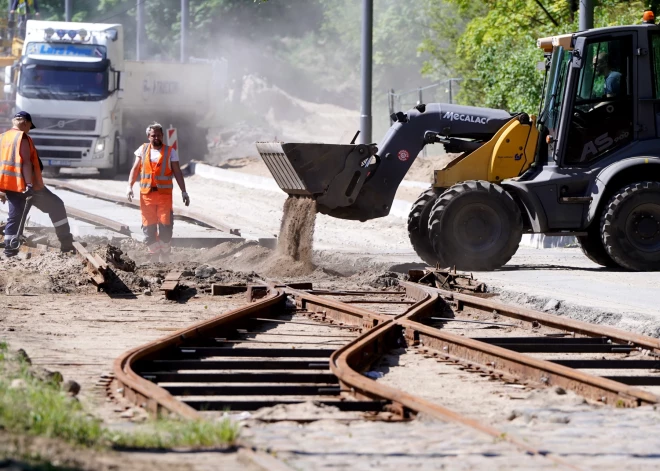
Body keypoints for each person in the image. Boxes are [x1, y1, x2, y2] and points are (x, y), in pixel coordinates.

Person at [0, 111, 74, 257]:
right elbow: (26, 162)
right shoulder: (22, 137)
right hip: (28, 187)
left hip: (10, 186)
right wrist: (28, 185)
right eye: (29, 127)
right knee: (56, 206)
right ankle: (66, 244)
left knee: (15, 217)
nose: (29, 130)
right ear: (25, 123)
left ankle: (9, 252)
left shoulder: (3, 137)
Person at [126, 123, 190, 262]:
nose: (156, 138)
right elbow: (135, 169)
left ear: (162, 136)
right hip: (146, 196)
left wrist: (184, 191)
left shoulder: (170, 151)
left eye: (159, 135)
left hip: (164, 196)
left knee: (165, 226)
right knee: (148, 227)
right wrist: (129, 186)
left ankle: (165, 254)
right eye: (153, 135)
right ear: (148, 137)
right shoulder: (142, 150)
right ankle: (153, 256)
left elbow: (177, 172)